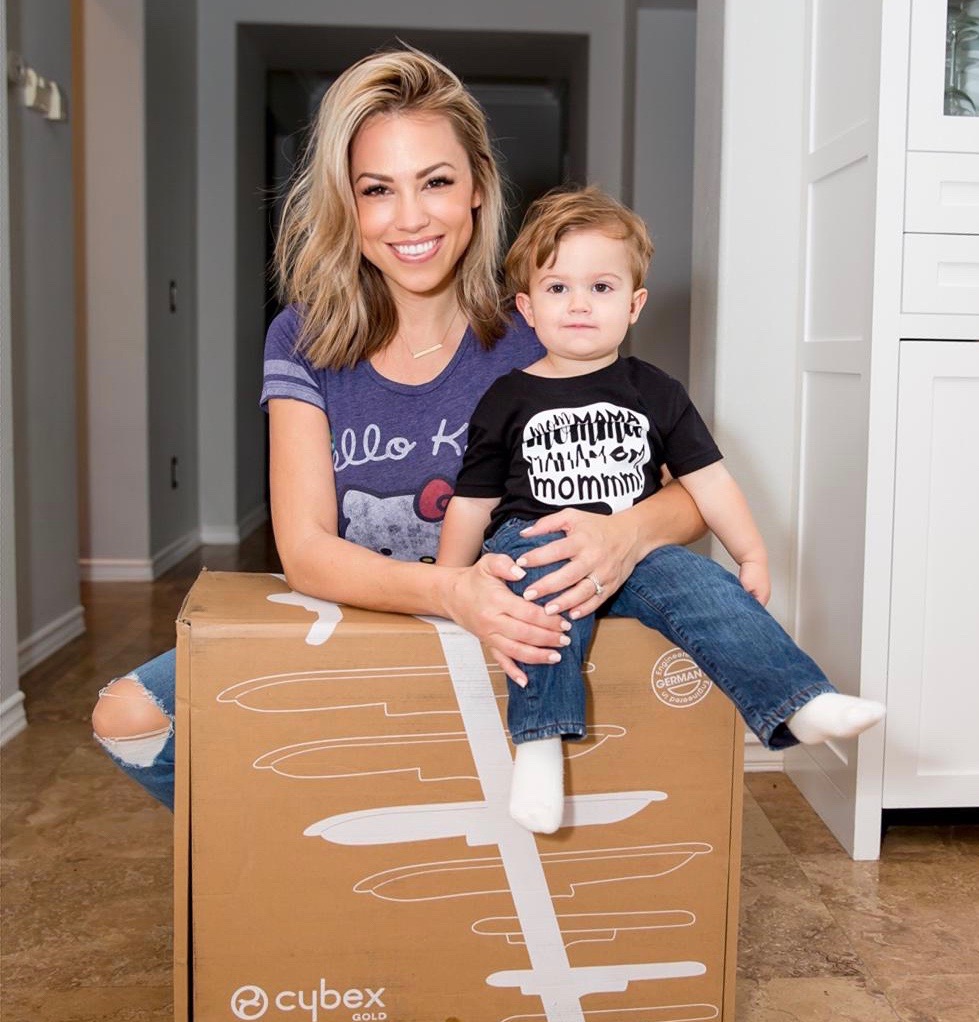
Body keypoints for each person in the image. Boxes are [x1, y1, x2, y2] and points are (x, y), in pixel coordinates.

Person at [90, 49, 707, 809]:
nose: (409, 218)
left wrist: (623, 537)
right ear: (347, 204)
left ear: (477, 187)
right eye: (377, 190)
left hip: (518, 626)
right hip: (364, 610)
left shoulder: (542, 329)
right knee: (129, 713)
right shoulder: (303, 336)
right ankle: (272, 857)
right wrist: (452, 592)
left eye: (436, 182)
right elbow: (307, 549)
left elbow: (691, 498)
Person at [437, 187, 885, 835]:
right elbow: (473, 501)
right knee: (538, 594)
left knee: (700, 580)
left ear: (634, 303)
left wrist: (750, 552)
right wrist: (450, 583)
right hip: (535, 539)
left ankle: (799, 700)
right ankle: (537, 746)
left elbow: (708, 481)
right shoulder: (508, 395)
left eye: (601, 287)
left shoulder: (656, 391)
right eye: (558, 289)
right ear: (528, 309)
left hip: (634, 552)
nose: (581, 304)